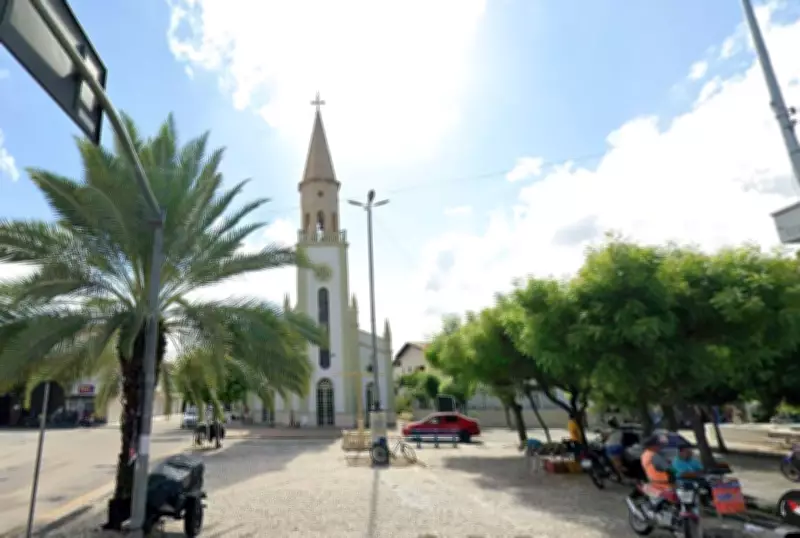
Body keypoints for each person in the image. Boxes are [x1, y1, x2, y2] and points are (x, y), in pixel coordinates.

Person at [640, 434, 673, 505]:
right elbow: (670, 470)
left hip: (654, 483)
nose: (661, 447)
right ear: (652, 445)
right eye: (659, 445)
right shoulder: (654, 456)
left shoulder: (645, 454)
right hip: (664, 485)